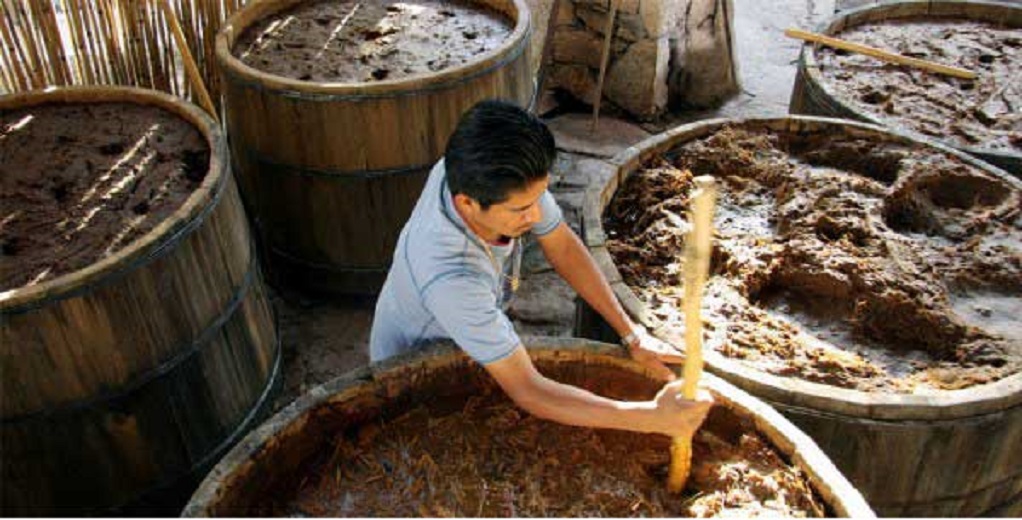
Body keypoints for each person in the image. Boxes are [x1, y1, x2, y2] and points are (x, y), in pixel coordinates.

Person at [370, 100, 713, 439]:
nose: (535, 216)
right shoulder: (453, 278)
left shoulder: (479, 171)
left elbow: (561, 244)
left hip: (467, 320)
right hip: (420, 359)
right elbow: (530, 390)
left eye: (540, 197)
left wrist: (630, 333)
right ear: (467, 204)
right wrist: (651, 418)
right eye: (521, 209)